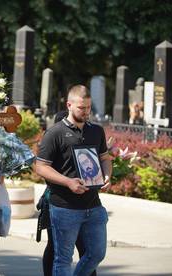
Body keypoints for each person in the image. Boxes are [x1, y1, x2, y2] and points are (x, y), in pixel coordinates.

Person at [35, 85, 112, 276]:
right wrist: (68, 182)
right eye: (81, 108)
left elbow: (105, 158)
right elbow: (40, 167)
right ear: (69, 105)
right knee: (62, 260)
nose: (86, 112)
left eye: (88, 107)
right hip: (64, 208)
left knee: (96, 254)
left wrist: (107, 175)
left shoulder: (96, 131)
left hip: (93, 206)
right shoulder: (54, 133)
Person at [39, 110, 96, 276]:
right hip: (59, 203)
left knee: (86, 249)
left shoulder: (84, 142)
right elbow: (43, 170)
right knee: (58, 249)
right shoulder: (54, 141)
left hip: (84, 202)